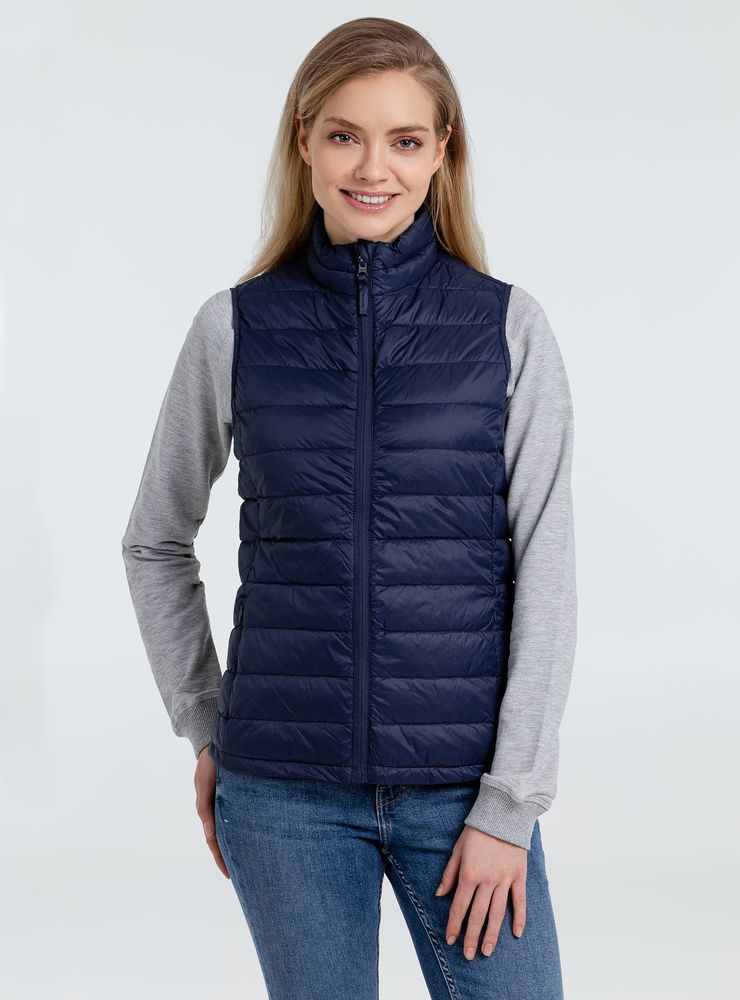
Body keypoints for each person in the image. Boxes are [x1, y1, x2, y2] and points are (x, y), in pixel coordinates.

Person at [121, 16, 577, 1000]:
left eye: (404, 139)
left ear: (442, 151)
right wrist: (207, 722)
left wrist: (509, 804)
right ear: (304, 142)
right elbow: (154, 539)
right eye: (344, 135)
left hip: (462, 794)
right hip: (282, 795)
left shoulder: (506, 328)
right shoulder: (235, 327)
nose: (374, 167)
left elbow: (546, 569)